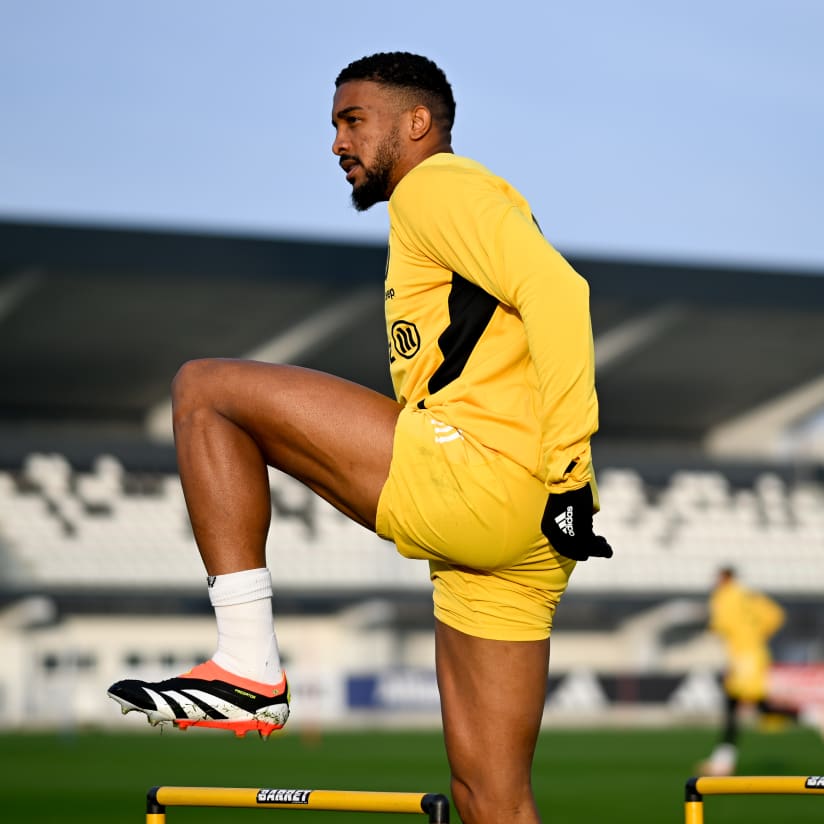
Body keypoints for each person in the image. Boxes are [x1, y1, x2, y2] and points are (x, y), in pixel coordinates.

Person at [107, 52, 612, 824]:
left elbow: (560, 291)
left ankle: (247, 664)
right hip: (530, 535)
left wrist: (570, 468)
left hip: (485, 475)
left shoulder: (435, 186)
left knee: (204, 392)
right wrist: (568, 484)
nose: (338, 143)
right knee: (490, 797)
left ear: (418, 124)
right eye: (334, 125)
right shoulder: (467, 201)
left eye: (354, 121)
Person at [696, 566, 794, 777]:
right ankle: (723, 761)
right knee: (740, 705)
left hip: (744, 657)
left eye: (718, 578)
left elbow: (719, 624)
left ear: (725, 578)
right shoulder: (750, 595)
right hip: (753, 653)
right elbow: (776, 615)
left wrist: (707, 621)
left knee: (754, 706)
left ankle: (809, 713)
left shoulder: (724, 596)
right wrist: (758, 634)